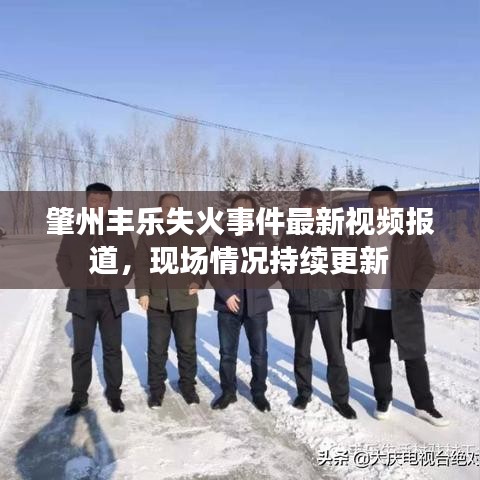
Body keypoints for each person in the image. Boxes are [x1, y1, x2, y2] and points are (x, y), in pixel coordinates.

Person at [346, 185, 449, 426]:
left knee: (415, 357)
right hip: (371, 307)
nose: (378, 211)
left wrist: (414, 292)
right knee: (378, 355)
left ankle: (424, 406)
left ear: (395, 206)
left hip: (403, 307)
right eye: (373, 206)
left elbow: (427, 265)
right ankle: (383, 400)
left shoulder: (409, 232)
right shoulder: (359, 233)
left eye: (383, 206)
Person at [56, 182, 134, 416]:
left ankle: (114, 394)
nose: (99, 205)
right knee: (82, 351)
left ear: (110, 203)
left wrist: (121, 278)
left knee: (112, 350)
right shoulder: (75, 228)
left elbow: (130, 258)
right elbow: (62, 258)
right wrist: (72, 280)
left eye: (103, 201)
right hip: (83, 300)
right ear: (87, 202)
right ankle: (79, 396)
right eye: (94, 200)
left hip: (112, 300)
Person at [279, 188, 357, 419]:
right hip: (301, 303)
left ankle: (341, 399)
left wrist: (337, 287)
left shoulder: (336, 231)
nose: (311, 211)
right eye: (306, 207)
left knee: (335, 353)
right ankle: (304, 392)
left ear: (323, 207)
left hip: (329, 303)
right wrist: (293, 289)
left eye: (316, 207)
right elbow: (282, 264)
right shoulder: (292, 232)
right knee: (302, 351)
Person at [135, 193, 207, 408]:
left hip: (184, 301)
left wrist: (197, 281)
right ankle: (156, 390)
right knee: (157, 349)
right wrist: (143, 292)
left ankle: (188, 386)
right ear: (159, 209)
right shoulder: (148, 233)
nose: (172, 212)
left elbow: (204, 259)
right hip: (157, 303)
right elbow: (141, 266)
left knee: (187, 347)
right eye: (167, 207)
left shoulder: (191, 231)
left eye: (176, 208)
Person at [209, 194, 276, 412]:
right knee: (227, 353)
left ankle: (258, 393)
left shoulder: (263, 236)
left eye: (247, 212)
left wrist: (258, 283)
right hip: (228, 305)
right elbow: (212, 268)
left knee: (259, 353)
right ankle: (228, 392)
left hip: (257, 305)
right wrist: (226, 294)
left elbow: (275, 266)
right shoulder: (221, 237)